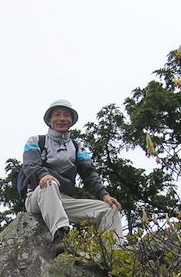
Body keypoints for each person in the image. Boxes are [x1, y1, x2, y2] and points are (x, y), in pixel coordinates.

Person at [22, 99, 123, 255]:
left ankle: (115, 253)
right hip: (38, 195)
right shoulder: (36, 141)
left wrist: (104, 195)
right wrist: (44, 175)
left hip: (64, 201)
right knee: (50, 184)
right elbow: (30, 165)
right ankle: (61, 236)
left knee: (109, 209)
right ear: (49, 120)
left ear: (71, 121)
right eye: (57, 115)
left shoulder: (77, 147)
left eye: (66, 115)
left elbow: (88, 174)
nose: (62, 118)